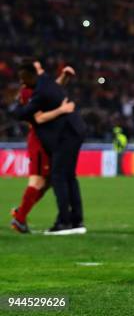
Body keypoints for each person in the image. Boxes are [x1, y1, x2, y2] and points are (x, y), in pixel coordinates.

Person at [13, 61, 87, 235]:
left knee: (51, 180)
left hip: (53, 138)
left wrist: (64, 77)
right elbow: (38, 117)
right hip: (41, 140)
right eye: (38, 68)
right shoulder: (28, 92)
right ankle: (21, 216)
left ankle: (22, 214)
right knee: (43, 180)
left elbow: (52, 88)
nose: (42, 70)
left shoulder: (40, 86)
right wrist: (62, 110)